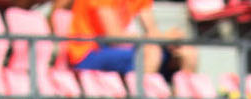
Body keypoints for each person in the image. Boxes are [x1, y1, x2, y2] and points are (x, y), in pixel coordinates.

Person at [59, 0, 192, 75]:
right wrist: (161, 38)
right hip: (87, 53)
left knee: (187, 53)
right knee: (151, 53)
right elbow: (114, 38)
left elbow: (153, 32)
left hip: (111, 50)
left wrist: (171, 39)